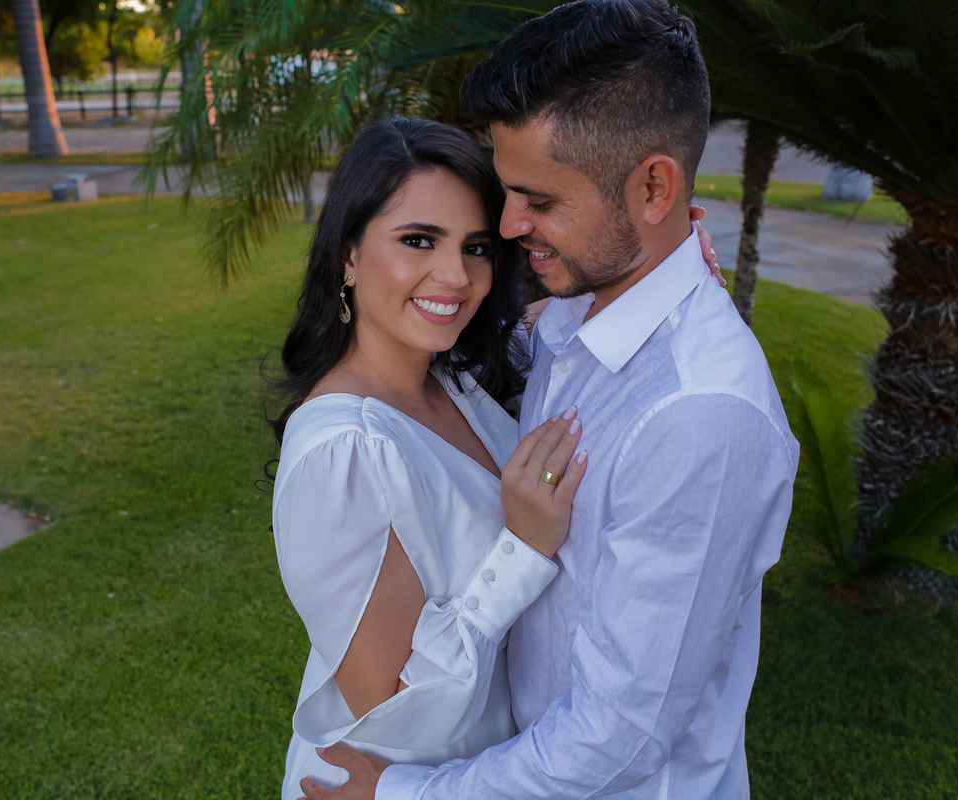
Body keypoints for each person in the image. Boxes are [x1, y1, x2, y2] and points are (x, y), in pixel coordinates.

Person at [298, 2, 799, 799]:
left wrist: (403, 795)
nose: (508, 226)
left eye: (539, 200)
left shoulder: (697, 415)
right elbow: (477, 343)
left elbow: (620, 738)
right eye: (506, 193)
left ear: (654, 188)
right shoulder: (576, 321)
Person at [271, 117, 722, 800]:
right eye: (418, 240)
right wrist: (522, 549)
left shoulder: (450, 376)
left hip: (477, 772)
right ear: (349, 255)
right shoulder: (345, 452)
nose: (455, 277)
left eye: (476, 247)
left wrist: (667, 263)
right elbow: (391, 704)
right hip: (389, 783)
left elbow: (553, 324)